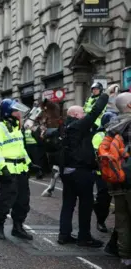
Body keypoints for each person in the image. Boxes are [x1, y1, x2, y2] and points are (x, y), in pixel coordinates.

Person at [57, 84, 114, 247]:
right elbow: (94, 112)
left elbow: (94, 123)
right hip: (81, 172)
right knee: (86, 204)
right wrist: (106, 95)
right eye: (82, 112)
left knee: (68, 204)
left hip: (67, 171)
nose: (84, 114)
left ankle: (64, 234)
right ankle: (84, 237)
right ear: (75, 115)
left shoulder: (66, 127)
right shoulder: (78, 125)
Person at [0, 99, 33, 240]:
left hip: (21, 169)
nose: (19, 113)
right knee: (6, 200)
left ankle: (18, 227)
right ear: (8, 112)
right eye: (16, 111)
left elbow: (21, 148)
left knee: (23, 200)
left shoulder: (17, 128)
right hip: (8, 169)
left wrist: (30, 163)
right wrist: (3, 167)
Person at [104, 92, 131, 267]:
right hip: (130, 179)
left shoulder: (111, 126)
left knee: (122, 220)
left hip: (115, 180)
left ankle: (125, 256)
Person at [91, 112, 116, 233]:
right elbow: (99, 154)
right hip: (103, 173)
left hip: (117, 172)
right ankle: (100, 221)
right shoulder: (99, 135)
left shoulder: (118, 134)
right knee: (104, 198)